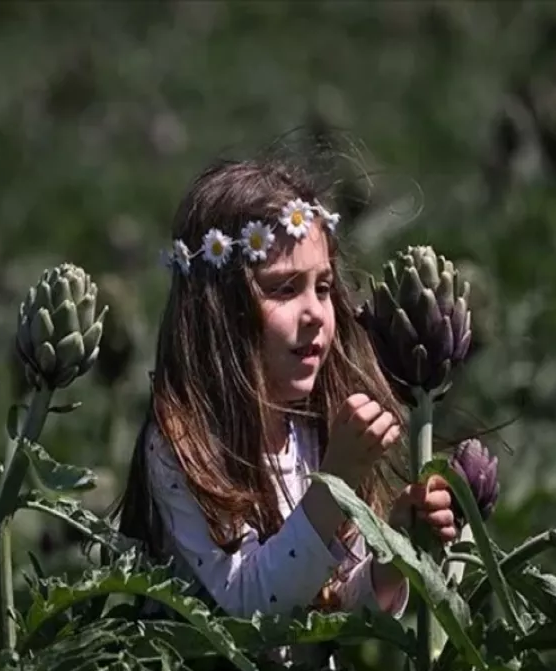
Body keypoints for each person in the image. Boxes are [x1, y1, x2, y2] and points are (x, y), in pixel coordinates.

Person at [113, 154, 456, 645]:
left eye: (324, 287)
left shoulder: (314, 428)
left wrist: (393, 553)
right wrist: (337, 481)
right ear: (221, 310)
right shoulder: (182, 445)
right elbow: (252, 604)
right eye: (284, 289)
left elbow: (332, 608)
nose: (316, 312)